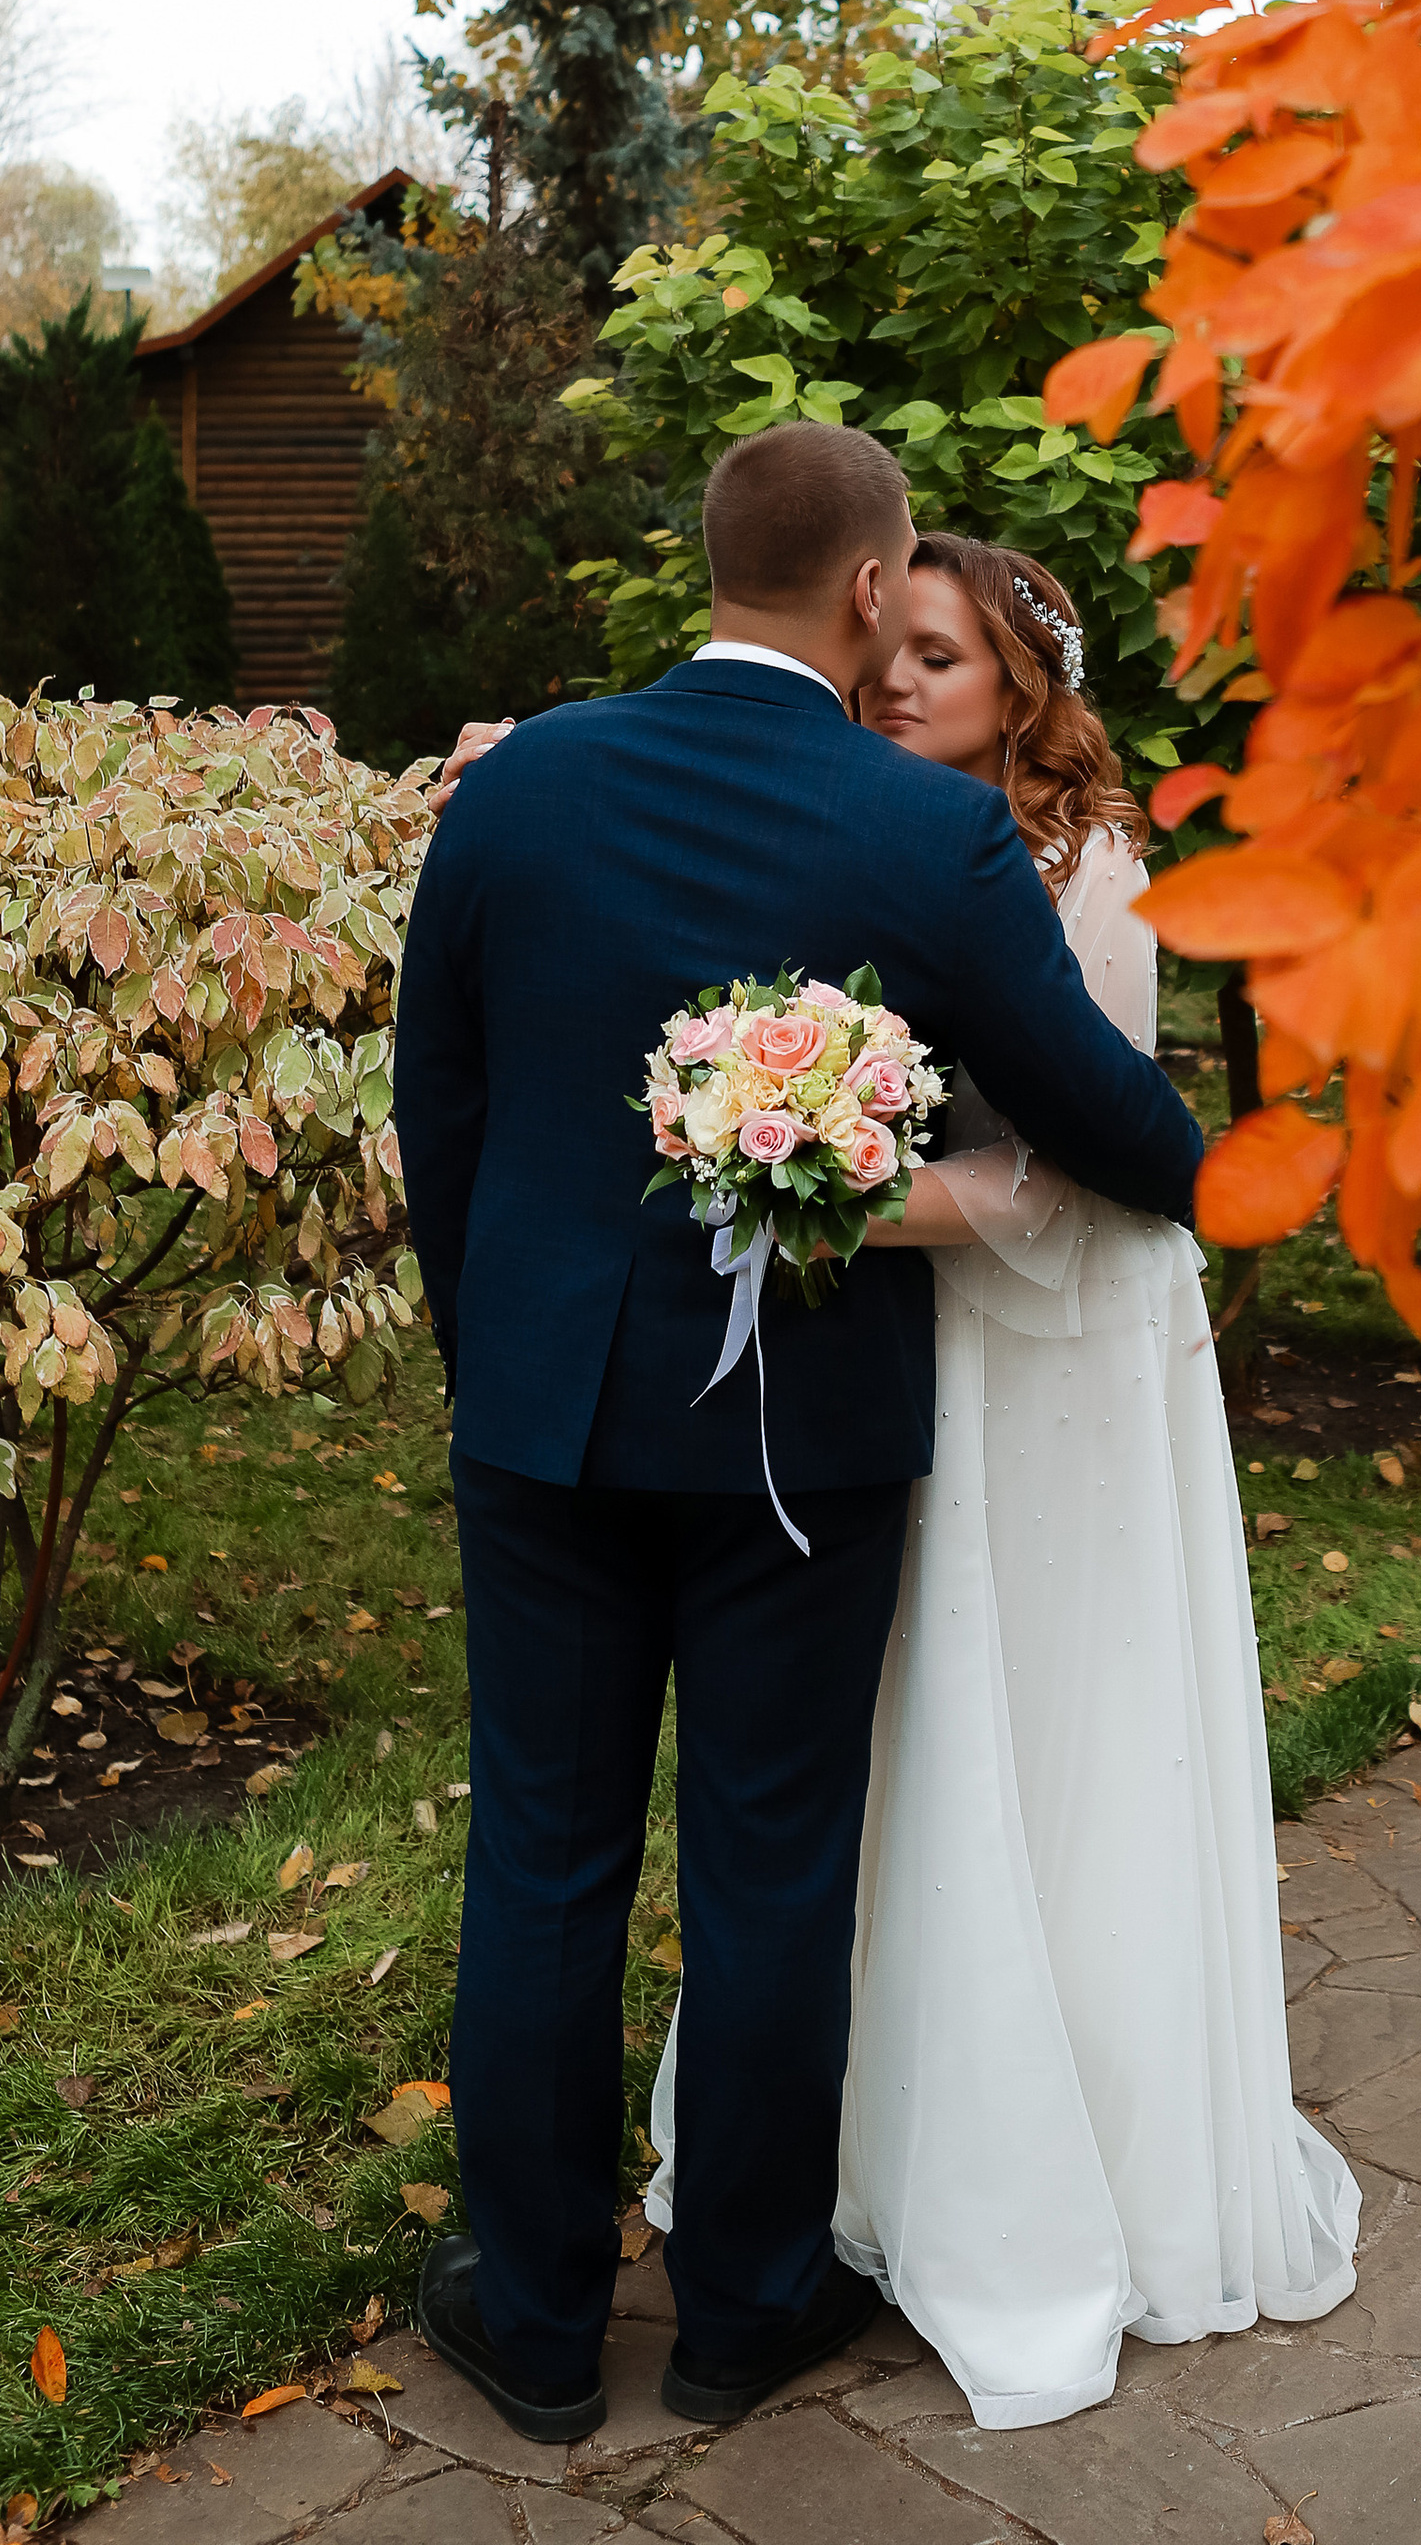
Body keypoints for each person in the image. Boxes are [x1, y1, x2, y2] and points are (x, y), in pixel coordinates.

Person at [391, 426, 1204, 2448]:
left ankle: (538, 2319)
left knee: (548, 1859)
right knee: (771, 1862)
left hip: (547, 1416)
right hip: (805, 1434)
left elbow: (442, 1108)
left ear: (712, 562)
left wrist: (483, 1351)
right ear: (867, 591)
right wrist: (1193, 1163)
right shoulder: (911, 830)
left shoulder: (522, 789)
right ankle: (748, 2311)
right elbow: (1102, 1120)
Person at [641, 534, 1359, 2423]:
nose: (898, 680)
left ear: (1019, 688)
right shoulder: (871, 831)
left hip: (1061, 1350)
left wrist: (815, 1188)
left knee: (1062, 1732)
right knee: (902, 1738)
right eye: (895, 647)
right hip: (917, 1343)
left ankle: (1088, 2170)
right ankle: (884, 2151)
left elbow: (1077, 1166)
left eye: (943, 659)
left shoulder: (1091, 872)